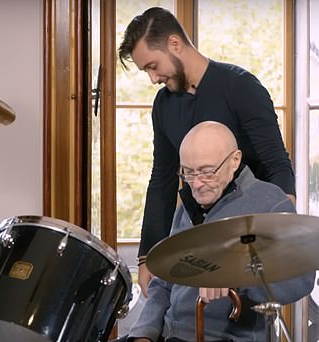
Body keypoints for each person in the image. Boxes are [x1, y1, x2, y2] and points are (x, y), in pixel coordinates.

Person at [106, 121, 314, 342]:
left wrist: (235, 276)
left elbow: (301, 281)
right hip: (171, 336)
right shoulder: (187, 206)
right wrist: (144, 335)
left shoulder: (271, 203)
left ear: (234, 160)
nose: (197, 184)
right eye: (187, 172)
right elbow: (163, 280)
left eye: (206, 171)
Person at [118, 7, 296, 296]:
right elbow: (162, 179)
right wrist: (148, 255)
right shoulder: (163, 105)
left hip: (248, 234)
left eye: (153, 65)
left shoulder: (241, 87)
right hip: (194, 233)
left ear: (174, 44)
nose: (152, 78)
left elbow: (276, 164)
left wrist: (279, 237)